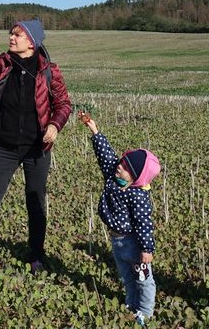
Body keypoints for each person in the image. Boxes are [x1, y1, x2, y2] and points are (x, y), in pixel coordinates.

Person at [0, 19, 72, 273]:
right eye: (11, 34)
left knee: (35, 205)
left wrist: (55, 125)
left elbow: (64, 104)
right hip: (6, 147)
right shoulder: (5, 64)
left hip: (37, 149)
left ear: (31, 42)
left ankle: (36, 257)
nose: (11, 38)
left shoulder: (49, 71)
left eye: (17, 35)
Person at [78, 111, 159, 326]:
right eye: (122, 162)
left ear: (135, 177)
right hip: (117, 241)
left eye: (125, 167)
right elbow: (106, 156)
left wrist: (146, 249)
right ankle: (131, 305)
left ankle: (145, 311)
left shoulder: (138, 195)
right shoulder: (113, 177)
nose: (119, 166)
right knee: (126, 277)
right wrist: (95, 132)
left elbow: (144, 224)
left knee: (143, 279)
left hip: (133, 243)